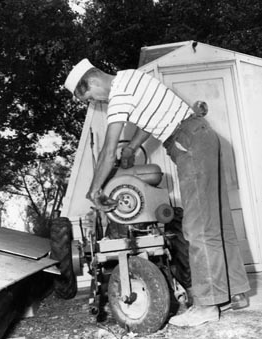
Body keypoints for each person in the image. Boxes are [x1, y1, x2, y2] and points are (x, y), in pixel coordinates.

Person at [64, 58, 250, 327]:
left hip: (188, 143)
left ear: (91, 81)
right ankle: (235, 293)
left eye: (91, 97)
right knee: (217, 220)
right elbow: (151, 119)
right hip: (201, 136)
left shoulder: (118, 97)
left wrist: (94, 190)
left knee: (197, 227)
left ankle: (208, 305)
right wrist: (132, 148)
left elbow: (107, 149)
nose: (97, 101)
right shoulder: (130, 77)